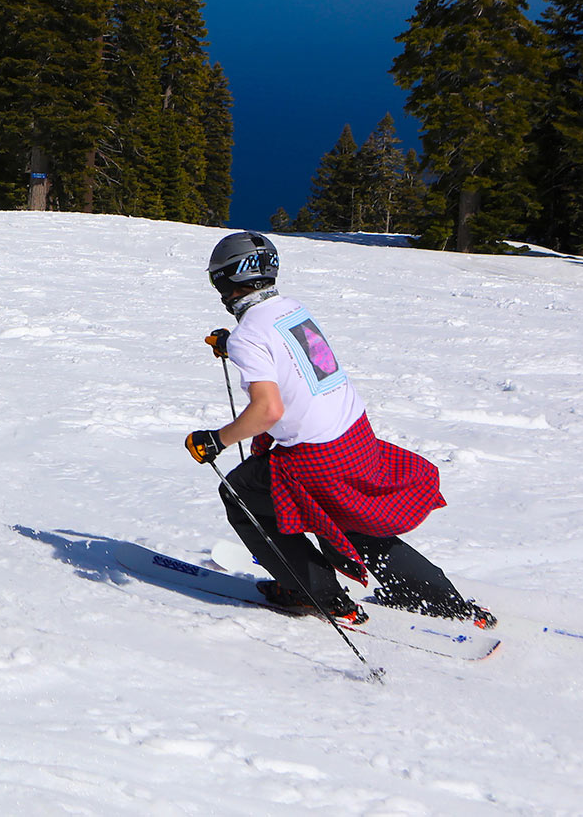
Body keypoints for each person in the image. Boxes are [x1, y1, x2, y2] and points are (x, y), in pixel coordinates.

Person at [184, 231, 494, 627]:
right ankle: (445, 602)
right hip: (356, 439)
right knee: (357, 522)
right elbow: (292, 356)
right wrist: (235, 344)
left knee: (240, 494)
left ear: (227, 280)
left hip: (317, 457)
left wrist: (217, 440)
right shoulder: (292, 310)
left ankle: (319, 596)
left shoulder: (250, 335)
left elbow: (268, 410)